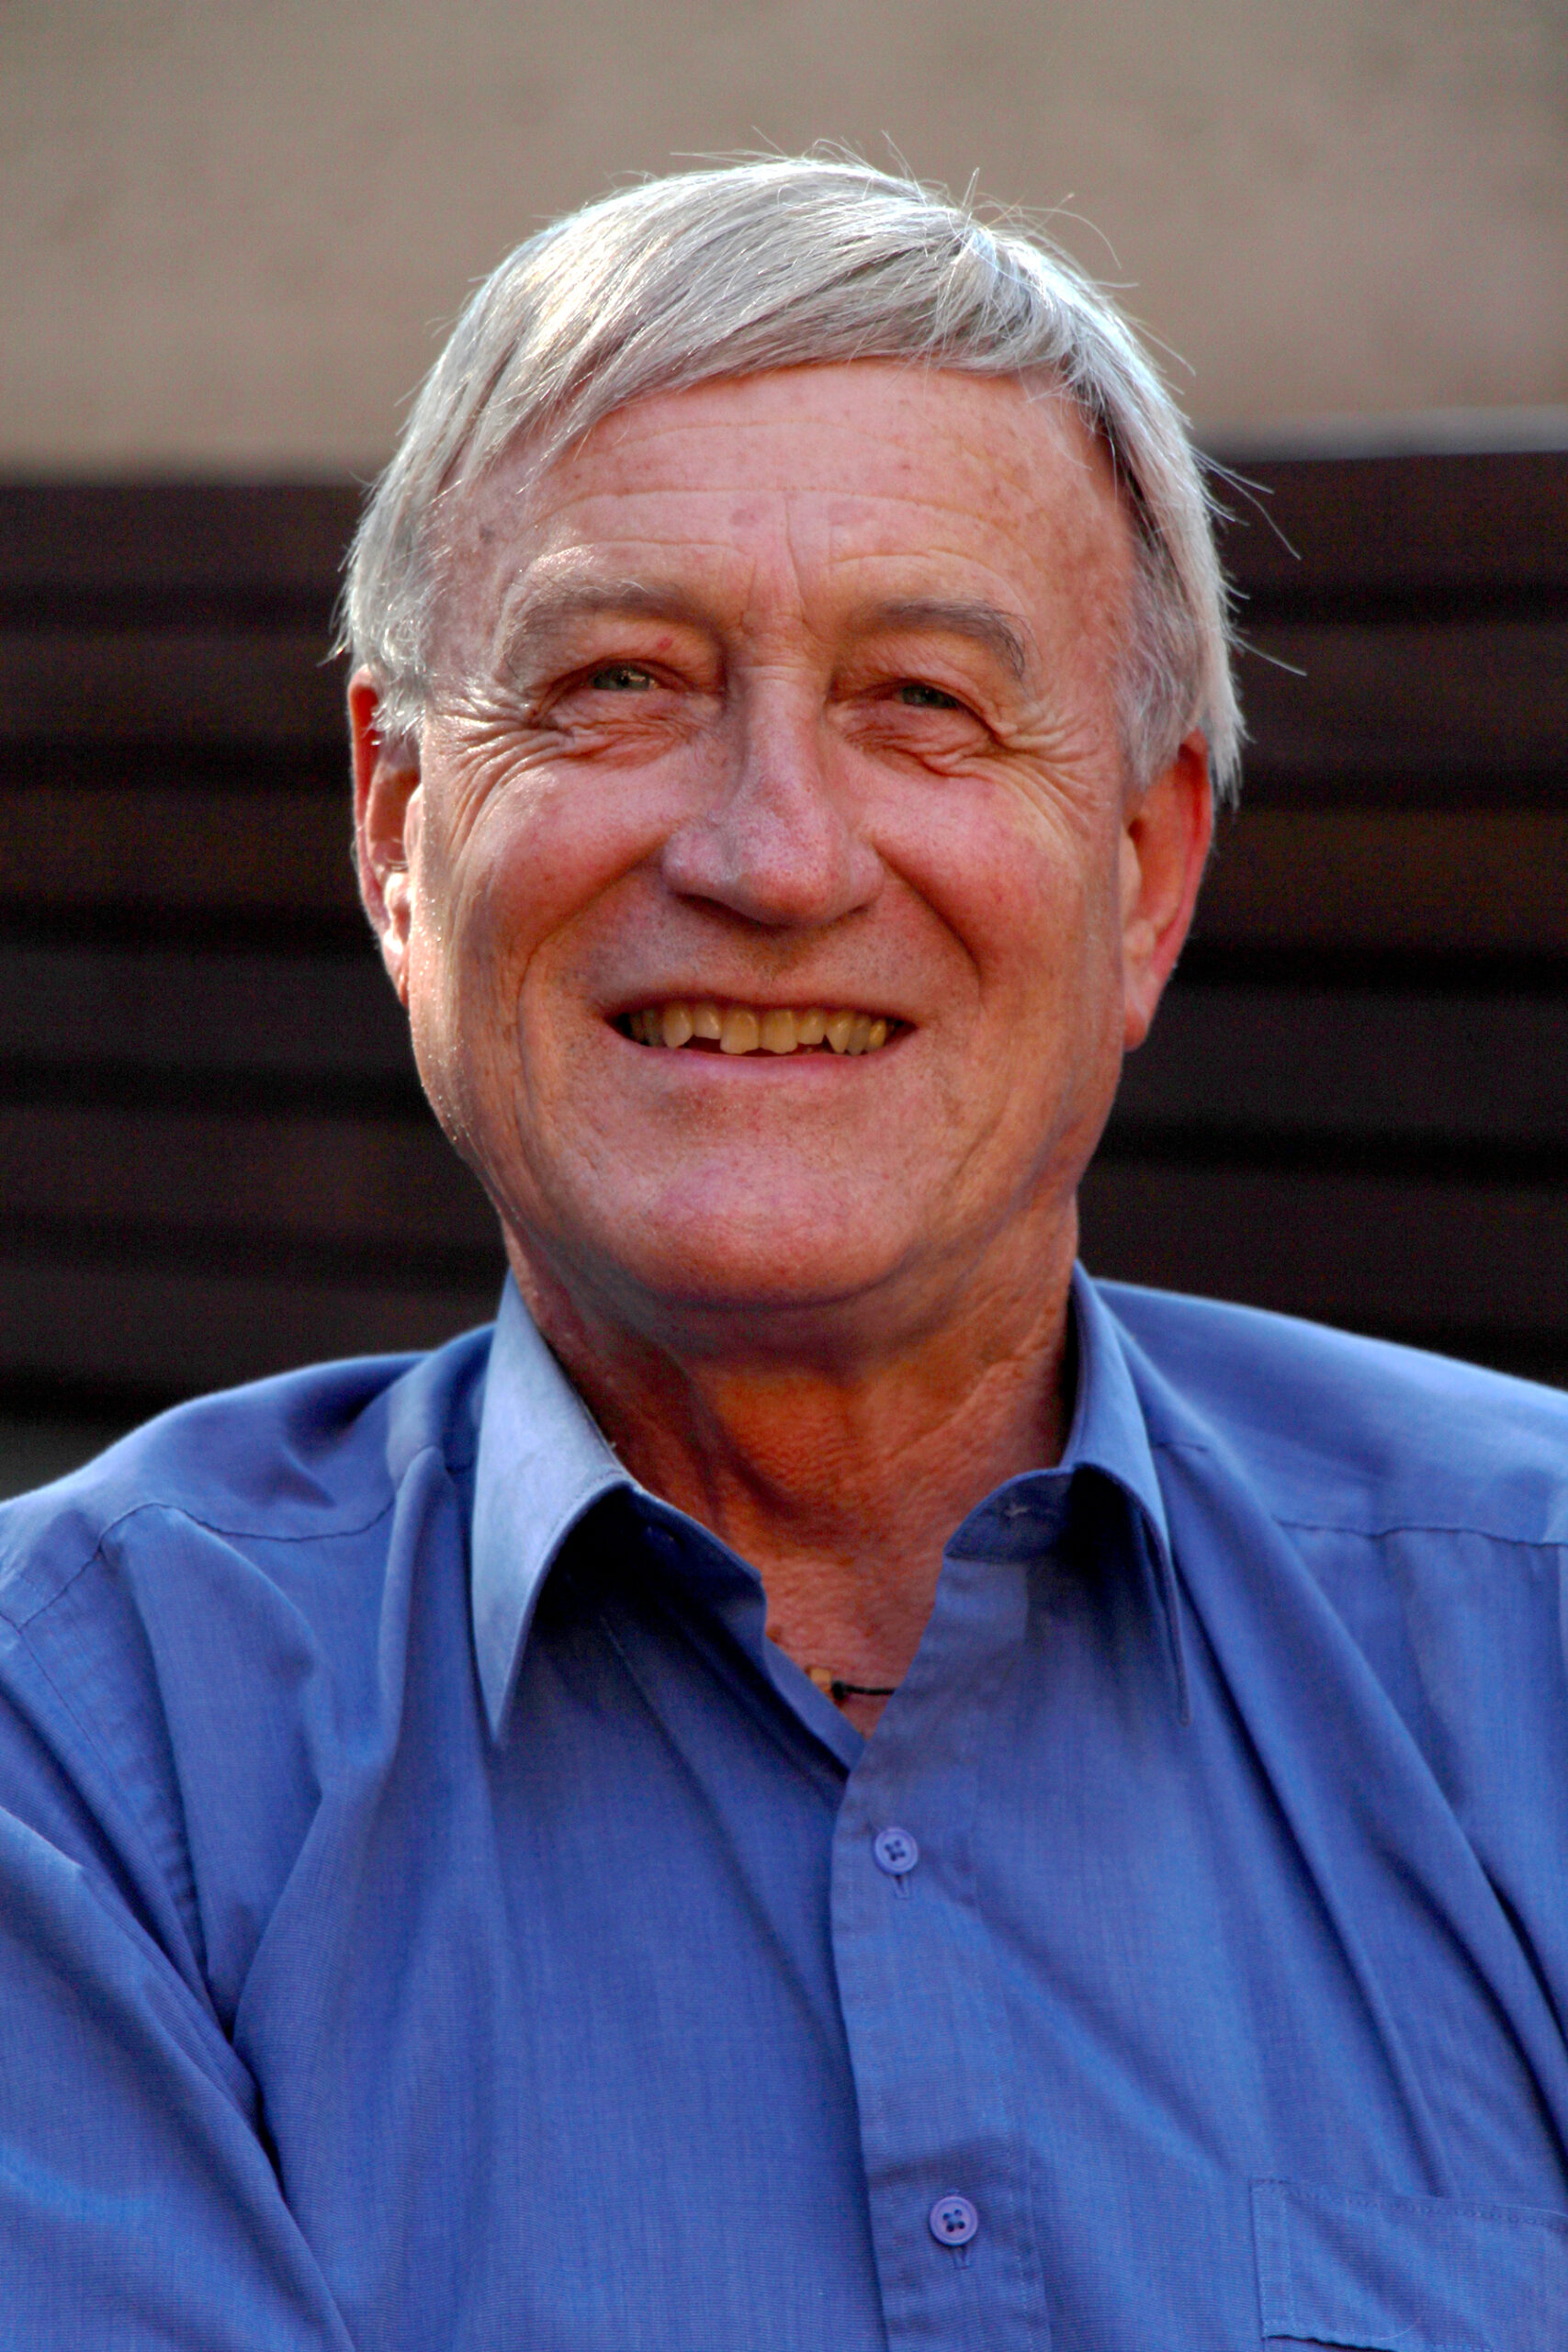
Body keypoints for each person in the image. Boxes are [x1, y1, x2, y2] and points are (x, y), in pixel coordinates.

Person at [3, 158, 1566, 2352]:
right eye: (617, 681)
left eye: (921, 698)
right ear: (397, 824)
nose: (769, 854)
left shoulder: (1531, 1636)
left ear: (1141, 875)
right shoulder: (80, 1747)